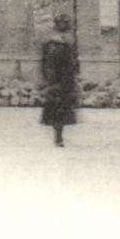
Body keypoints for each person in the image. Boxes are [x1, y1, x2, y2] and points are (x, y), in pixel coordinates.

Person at [40, 15, 80, 147]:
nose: (68, 27)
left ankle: (59, 135)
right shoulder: (52, 44)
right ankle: (58, 136)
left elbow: (74, 62)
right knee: (57, 109)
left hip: (66, 81)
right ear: (58, 25)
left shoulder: (68, 43)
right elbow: (46, 63)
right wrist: (49, 79)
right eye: (66, 24)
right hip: (57, 80)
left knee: (62, 108)